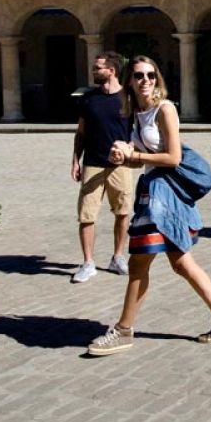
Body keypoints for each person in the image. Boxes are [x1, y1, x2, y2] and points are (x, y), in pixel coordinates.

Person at [87, 56, 211, 355]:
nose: (145, 81)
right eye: (139, 76)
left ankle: (123, 330)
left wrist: (135, 157)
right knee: (181, 262)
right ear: (129, 80)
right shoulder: (136, 112)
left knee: (139, 262)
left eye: (151, 75)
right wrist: (124, 152)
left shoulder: (164, 109)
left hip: (162, 193)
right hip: (154, 188)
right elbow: (142, 150)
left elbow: (173, 158)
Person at [70, 51, 134, 282]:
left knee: (123, 211)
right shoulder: (88, 98)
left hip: (121, 166)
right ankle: (88, 263)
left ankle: (118, 257)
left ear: (112, 70)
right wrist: (75, 160)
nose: (94, 71)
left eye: (98, 68)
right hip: (92, 164)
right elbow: (81, 132)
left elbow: (136, 132)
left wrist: (130, 148)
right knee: (86, 215)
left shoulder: (128, 98)